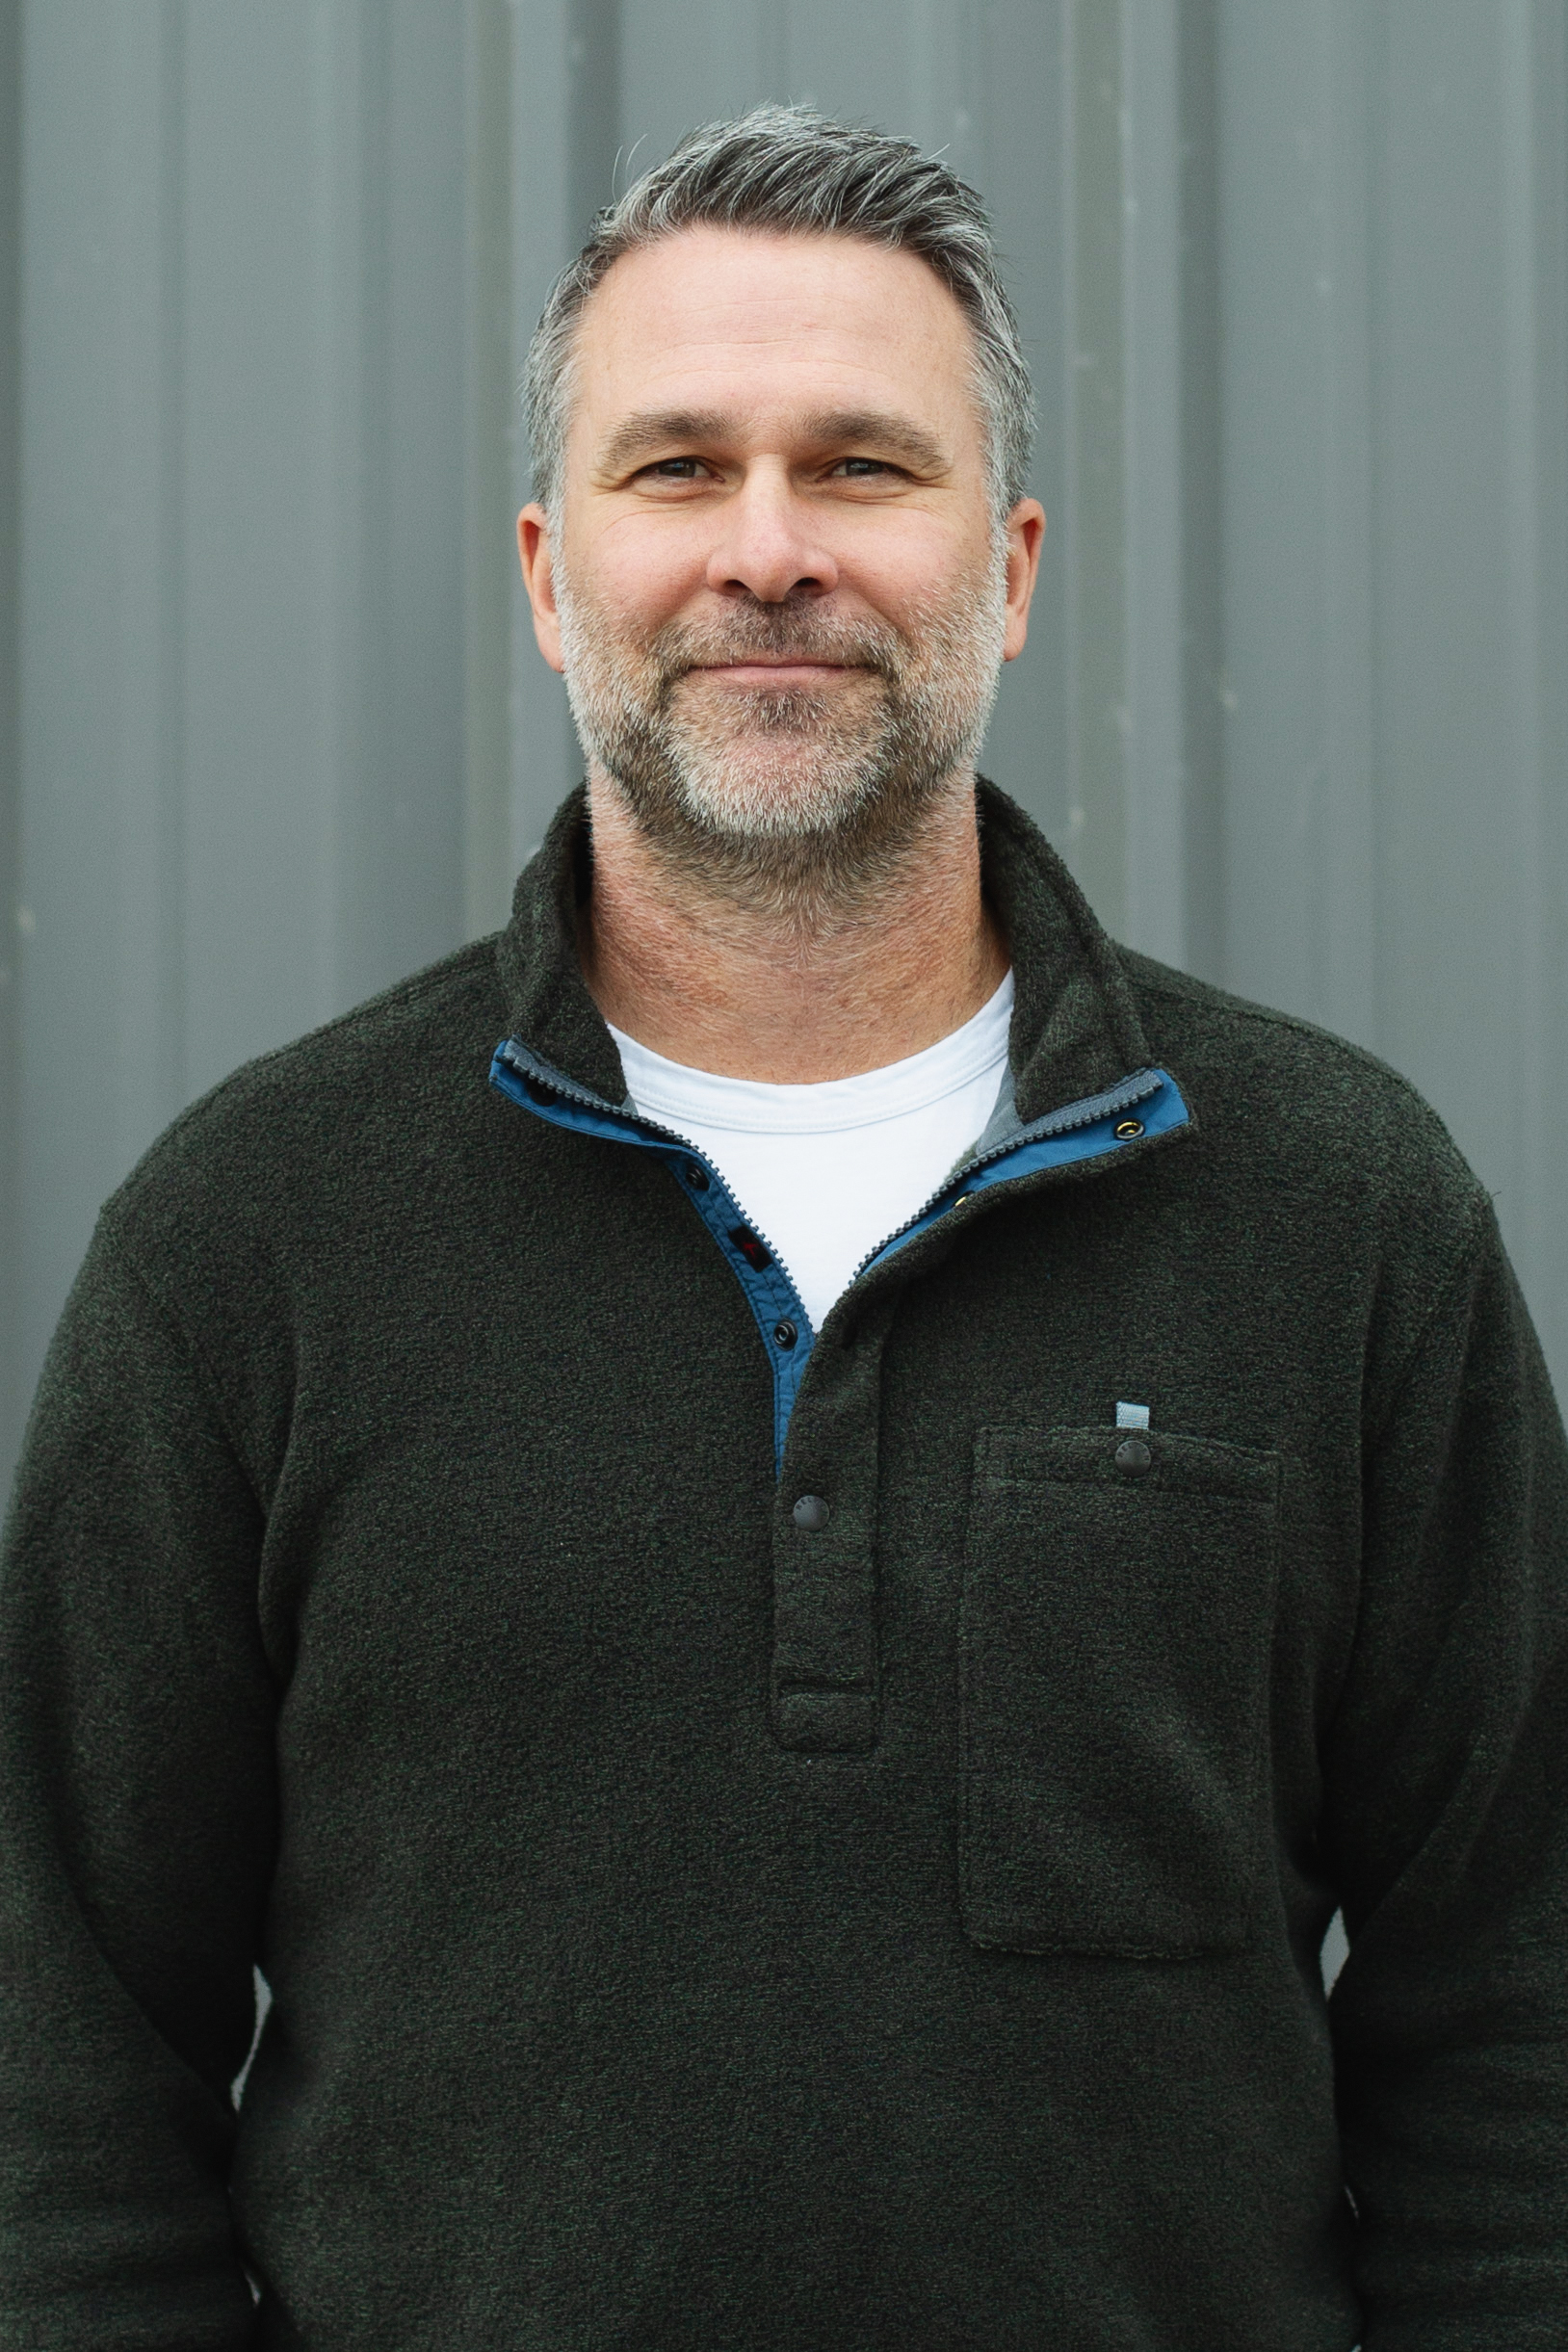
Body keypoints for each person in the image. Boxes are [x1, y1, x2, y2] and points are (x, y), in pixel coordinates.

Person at [1, 103, 1563, 2352]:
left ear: (1010, 563)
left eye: (861, 465)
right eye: (674, 470)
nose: (767, 550)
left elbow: (1515, 2042)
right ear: (547, 571)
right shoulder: (253, 1241)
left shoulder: (1338, 1215)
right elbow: (58, 2072)